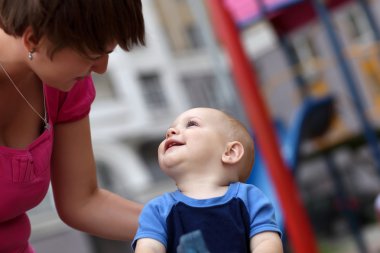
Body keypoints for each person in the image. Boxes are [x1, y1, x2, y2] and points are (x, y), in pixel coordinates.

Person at [0, 1, 145, 252]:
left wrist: (181, 222)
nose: (101, 68)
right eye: (94, 54)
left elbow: (83, 202)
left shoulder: (63, 82)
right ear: (33, 39)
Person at [132, 107, 283, 253]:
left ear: (230, 152)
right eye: (168, 131)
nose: (170, 132)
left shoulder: (249, 198)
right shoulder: (158, 210)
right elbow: (149, 247)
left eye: (191, 124)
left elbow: (266, 242)